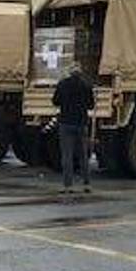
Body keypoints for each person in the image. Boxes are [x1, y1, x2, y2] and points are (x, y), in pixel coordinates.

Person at [52, 62, 95, 195]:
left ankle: (67, 186)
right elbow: (91, 105)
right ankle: (86, 184)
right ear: (80, 72)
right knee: (83, 155)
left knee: (67, 156)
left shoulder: (62, 84)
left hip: (66, 123)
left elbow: (55, 101)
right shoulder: (86, 85)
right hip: (81, 123)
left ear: (70, 72)